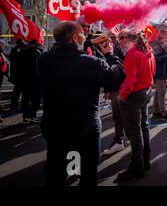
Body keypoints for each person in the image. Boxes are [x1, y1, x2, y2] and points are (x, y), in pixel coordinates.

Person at [37, 21, 125, 186]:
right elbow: (116, 78)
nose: (85, 36)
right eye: (82, 34)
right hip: (84, 128)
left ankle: (69, 173)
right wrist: (109, 54)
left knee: (56, 172)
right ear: (75, 37)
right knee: (87, 175)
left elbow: (68, 55)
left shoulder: (43, 59)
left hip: (55, 126)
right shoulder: (90, 63)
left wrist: (88, 43)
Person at [117, 32, 156, 180]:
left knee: (134, 131)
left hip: (135, 94)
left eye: (121, 38)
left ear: (128, 39)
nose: (119, 42)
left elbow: (130, 80)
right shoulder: (147, 50)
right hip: (146, 91)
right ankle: (145, 161)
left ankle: (137, 166)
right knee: (143, 126)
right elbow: (152, 72)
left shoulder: (133, 54)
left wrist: (122, 95)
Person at [102, 29, 130, 155]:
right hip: (118, 89)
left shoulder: (135, 50)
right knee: (118, 116)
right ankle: (118, 141)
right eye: (121, 37)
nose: (124, 39)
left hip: (132, 89)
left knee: (132, 117)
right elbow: (110, 71)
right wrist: (108, 89)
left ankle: (132, 141)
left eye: (126, 37)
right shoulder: (115, 51)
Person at [152, 30, 167, 122]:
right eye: (165, 35)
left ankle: (156, 111)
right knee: (161, 92)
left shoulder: (161, 44)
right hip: (159, 72)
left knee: (158, 92)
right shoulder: (156, 45)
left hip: (162, 72)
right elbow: (155, 58)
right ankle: (163, 113)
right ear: (160, 35)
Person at [18, 39, 43, 124]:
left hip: (24, 78)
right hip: (35, 78)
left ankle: (26, 116)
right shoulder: (37, 52)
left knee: (25, 97)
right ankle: (32, 116)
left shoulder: (22, 51)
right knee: (36, 98)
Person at [8, 39, 25, 111]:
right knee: (25, 92)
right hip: (24, 74)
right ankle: (23, 106)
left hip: (17, 74)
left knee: (16, 91)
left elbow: (11, 58)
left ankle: (13, 106)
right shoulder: (26, 49)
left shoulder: (14, 49)